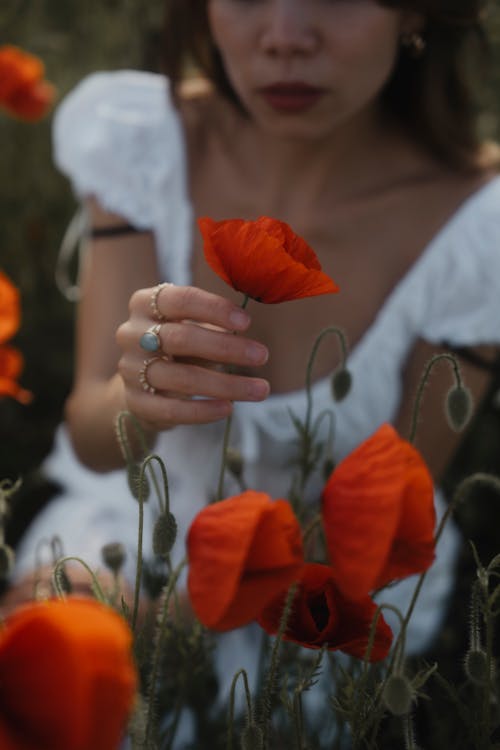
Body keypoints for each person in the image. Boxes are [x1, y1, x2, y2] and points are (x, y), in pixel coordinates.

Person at [6, 0, 500, 734]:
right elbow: (89, 439)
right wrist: (135, 397)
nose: (285, 39)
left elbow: (375, 521)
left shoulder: (479, 229)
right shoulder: (143, 143)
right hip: (128, 526)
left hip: (314, 603)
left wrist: (156, 613)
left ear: (414, 11)